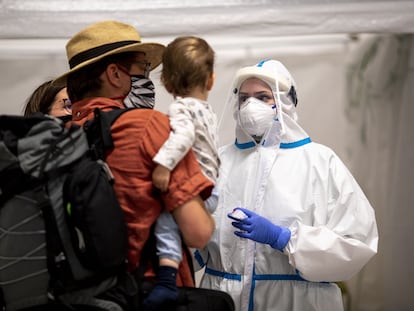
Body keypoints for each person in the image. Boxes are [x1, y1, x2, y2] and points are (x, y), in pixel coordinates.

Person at [54, 20, 215, 310]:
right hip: (149, 294)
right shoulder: (148, 125)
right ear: (114, 74)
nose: (147, 82)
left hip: (80, 298)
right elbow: (197, 232)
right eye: (142, 71)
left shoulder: (59, 137)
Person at [197, 59, 378, 311]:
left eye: (262, 97)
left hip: (297, 303)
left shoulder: (320, 162)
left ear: (285, 102)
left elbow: (357, 241)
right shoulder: (218, 162)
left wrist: (285, 239)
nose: (251, 106)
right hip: (222, 300)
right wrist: (194, 247)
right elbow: (192, 236)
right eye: (244, 98)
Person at [147, 35, 219, 306]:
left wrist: (164, 164)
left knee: (165, 224)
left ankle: (166, 280)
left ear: (165, 83)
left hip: (197, 188)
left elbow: (184, 136)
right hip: (212, 189)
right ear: (211, 80)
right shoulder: (206, 110)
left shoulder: (180, 108)